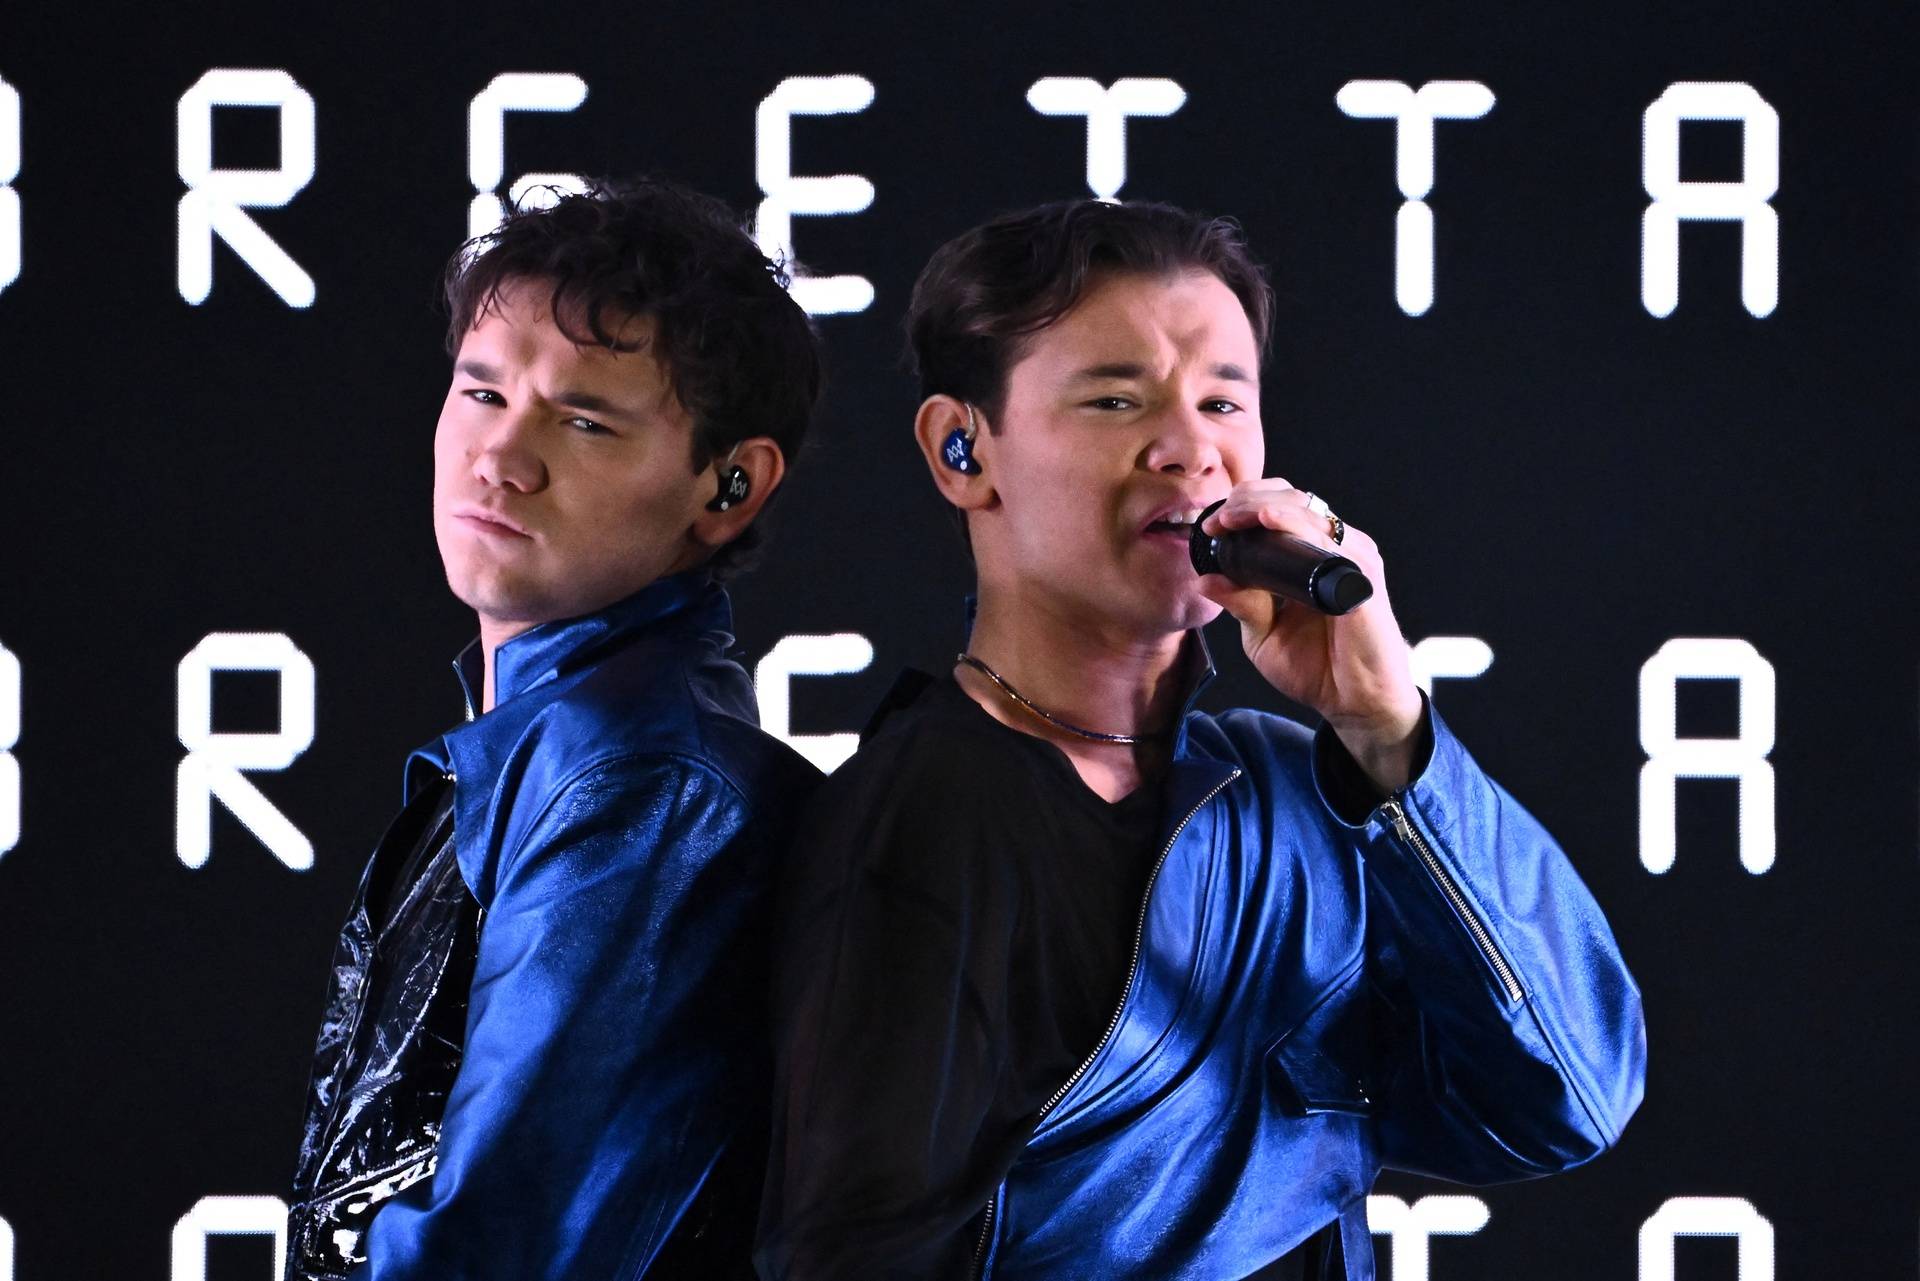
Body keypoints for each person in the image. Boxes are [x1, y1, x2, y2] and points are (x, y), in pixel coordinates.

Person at [756, 199, 1646, 1280]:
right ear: (961, 449)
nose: (1191, 450)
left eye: (1223, 399)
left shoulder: (1292, 793)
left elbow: (1566, 1102)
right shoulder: (920, 823)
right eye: (1115, 399)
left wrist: (1387, 732)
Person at [285, 178, 823, 1280]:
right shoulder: (565, 740)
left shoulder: (640, 781)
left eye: (584, 421)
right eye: (482, 394)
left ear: (729, 486)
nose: (502, 457)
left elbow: (506, 1252)